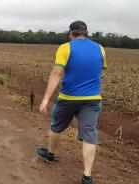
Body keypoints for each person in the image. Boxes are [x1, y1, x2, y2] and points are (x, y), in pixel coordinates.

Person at [37, 21, 107, 184]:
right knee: (90, 134)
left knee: (57, 126)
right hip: (92, 99)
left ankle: (50, 153)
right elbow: (98, 71)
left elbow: (57, 72)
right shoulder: (100, 48)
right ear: (86, 33)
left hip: (68, 98)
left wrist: (46, 99)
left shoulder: (66, 47)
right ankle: (87, 176)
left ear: (71, 33)